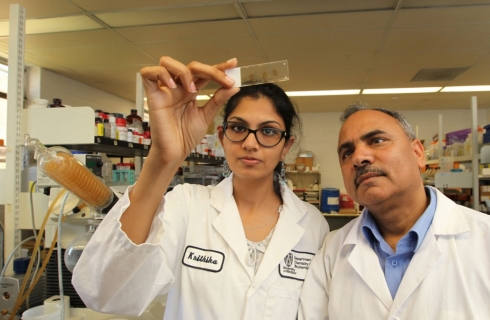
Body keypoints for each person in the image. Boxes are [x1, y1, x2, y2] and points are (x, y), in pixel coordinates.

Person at [72, 57, 329, 319]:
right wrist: (162, 158)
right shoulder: (187, 205)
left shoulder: (313, 225)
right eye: (239, 128)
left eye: (269, 131)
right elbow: (106, 293)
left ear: (286, 146)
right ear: (222, 137)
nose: (251, 143)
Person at [299, 102, 490, 319]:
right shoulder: (331, 254)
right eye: (347, 153)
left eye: (377, 140)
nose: (359, 157)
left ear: (418, 153)